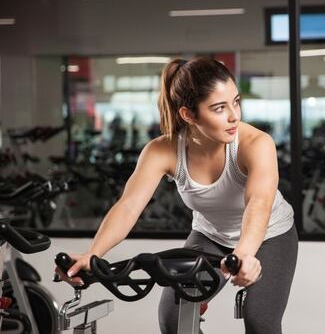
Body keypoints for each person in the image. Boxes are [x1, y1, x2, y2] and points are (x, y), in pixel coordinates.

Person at [57, 57, 298, 334]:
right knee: (173, 319)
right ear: (189, 115)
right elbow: (129, 206)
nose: (234, 115)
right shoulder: (163, 150)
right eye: (219, 108)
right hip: (211, 237)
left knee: (261, 322)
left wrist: (244, 253)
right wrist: (93, 254)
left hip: (270, 235)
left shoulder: (256, 144)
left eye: (236, 101)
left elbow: (259, 203)